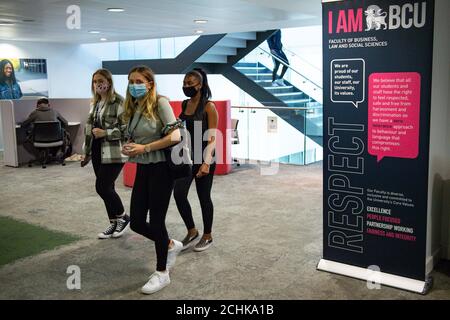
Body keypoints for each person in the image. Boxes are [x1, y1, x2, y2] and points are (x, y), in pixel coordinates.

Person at [121, 65, 183, 294]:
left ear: (149, 83)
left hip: (162, 169)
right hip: (143, 168)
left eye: (139, 81)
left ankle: (162, 273)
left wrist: (144, 147)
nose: (134, 85)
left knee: (157, 222)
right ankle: (169, 244)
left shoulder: (160, 103)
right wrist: (131, 147)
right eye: (131, 81)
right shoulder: (134, 107)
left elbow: (175, 135)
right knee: (136, 222)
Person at [174, 68, 218, 252]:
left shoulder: (209, 106)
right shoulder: (185, 104)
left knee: (203, 197)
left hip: (204, 157)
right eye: (184, 83)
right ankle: (192, 231)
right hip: (186, 157)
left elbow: (213, 137)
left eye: (190, 84)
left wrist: (206, 163)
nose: (186, 86)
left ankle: (207, 236)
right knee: (179, 194)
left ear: (200, 85)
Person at [82, 69, 129, 240]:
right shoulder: (95, 102)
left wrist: (106, 133)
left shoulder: (119, 102)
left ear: (109, 82)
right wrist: (86, 152)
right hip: (96, 151)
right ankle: (114, 222)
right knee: (108, 188)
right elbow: (89, 130)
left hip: (114, 152)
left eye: (101, 80)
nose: (98, 84)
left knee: (101, 187)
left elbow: (127, 131)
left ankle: (123, 217)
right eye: (95, 81)